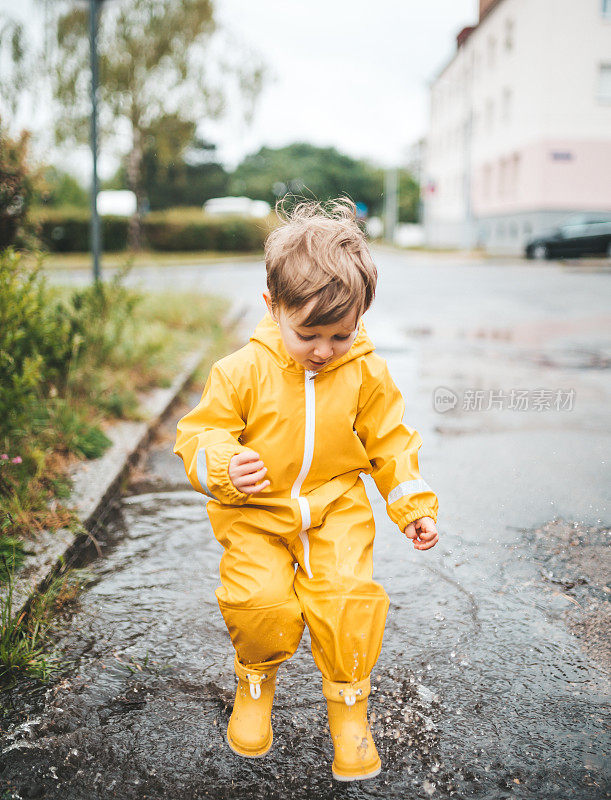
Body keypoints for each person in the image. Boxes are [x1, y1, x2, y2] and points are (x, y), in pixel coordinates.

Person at [174, 198, 439, 782]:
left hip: (335, 506)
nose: (324, 349)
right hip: (256, 512)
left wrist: (412, 504)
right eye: (308, 333)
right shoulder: (241, 370)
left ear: (363, 316)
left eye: (341, 335)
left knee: (347, 601)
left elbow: (391, 442)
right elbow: (201, 434)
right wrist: (223, 464)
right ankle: (255, 682)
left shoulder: (367, 372)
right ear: (273, 307)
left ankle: (349, 707)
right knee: (260, 602)